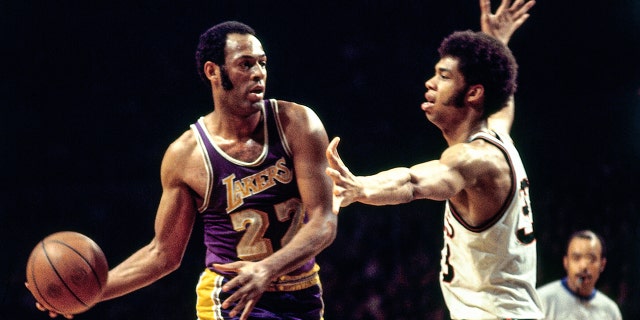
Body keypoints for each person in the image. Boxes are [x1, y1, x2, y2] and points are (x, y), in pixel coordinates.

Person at [30, 21, 338, 320]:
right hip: (230, 297)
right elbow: (162, 254)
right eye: (245, 64)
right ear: (213, 71)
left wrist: (267, 268)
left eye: (262, 63)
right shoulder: (186, 156)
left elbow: (323, 221)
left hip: (302, 292)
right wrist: (87, 294)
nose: (258, 73)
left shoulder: (298, 124)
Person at [325, 0, 542, 318]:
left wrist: (360, 187)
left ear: (473, 94)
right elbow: (501, 103)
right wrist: (496, 43)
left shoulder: (474, 159)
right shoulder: (497, 137)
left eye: (444, 76)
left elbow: (413, 182)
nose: (430, 83)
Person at [537, 230, 622, 320]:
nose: (584, 266)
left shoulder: (611, 311)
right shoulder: (541, 300)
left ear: (602, 264)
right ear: (566, 262)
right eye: (576, 258)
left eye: (591, 259)